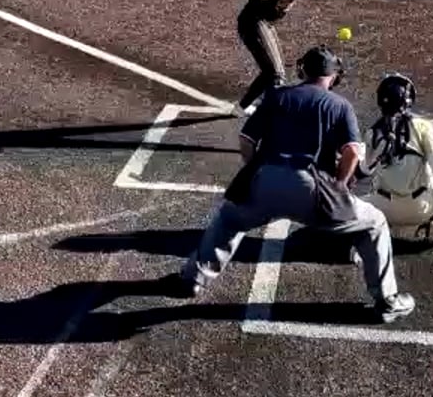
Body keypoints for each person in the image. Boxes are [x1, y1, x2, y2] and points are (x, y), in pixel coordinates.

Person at [172, 47, 415, 323]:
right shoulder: (340, 105)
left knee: (229, 219)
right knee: (374, 223)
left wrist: (255, 171)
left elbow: (246, 140)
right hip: (311, 190)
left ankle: (193, 279)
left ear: (303, 70)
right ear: (334, 76)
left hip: (266, 182)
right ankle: (387, 300)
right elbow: (351, 152)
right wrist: (338, 185)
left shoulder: (277, 96)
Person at [358, 73, 433, 246]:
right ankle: (427, 227)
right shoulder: (423, 127)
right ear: (408, 101)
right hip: (422, 207)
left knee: (356, 205)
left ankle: (391, 230)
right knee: (432, 175)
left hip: (383, 208)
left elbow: (366, 169)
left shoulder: (372, 133)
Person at [235, 0, 324, 118]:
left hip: (266, 23)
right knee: (276, 74)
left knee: (272, 71)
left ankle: (241, 107)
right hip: (254, 21)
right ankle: (270, 114)